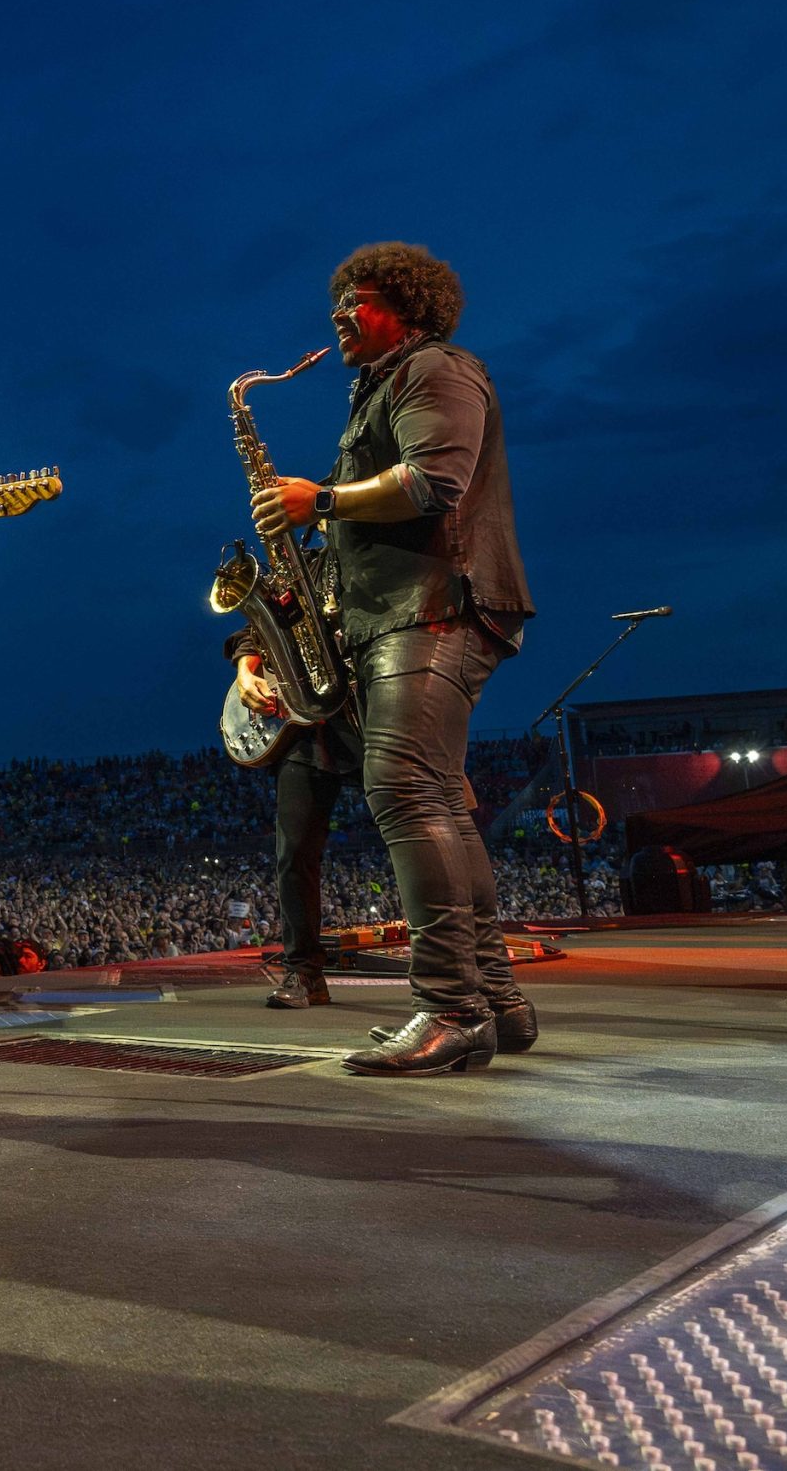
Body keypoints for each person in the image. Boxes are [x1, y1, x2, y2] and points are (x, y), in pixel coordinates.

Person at [252, 243, 537, 1075]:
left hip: (435, 606)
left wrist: (325, 499)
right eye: (336, 301)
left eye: (358, 300)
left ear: (408, 308)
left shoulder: (438, 369)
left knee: (405, 788)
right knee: (437, 794)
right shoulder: (383, 384)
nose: (339, 315)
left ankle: (451, 1007)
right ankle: (497, 999)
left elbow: (432, 482)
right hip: (402, 611)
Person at [230, 625, 363, 1009]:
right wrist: (245, 670)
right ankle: (305, 973)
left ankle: (461, 968)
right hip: (304, 736)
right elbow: (252, 631)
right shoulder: (298, 570)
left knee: (418, 825)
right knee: (293, 854)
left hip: (366, 715)